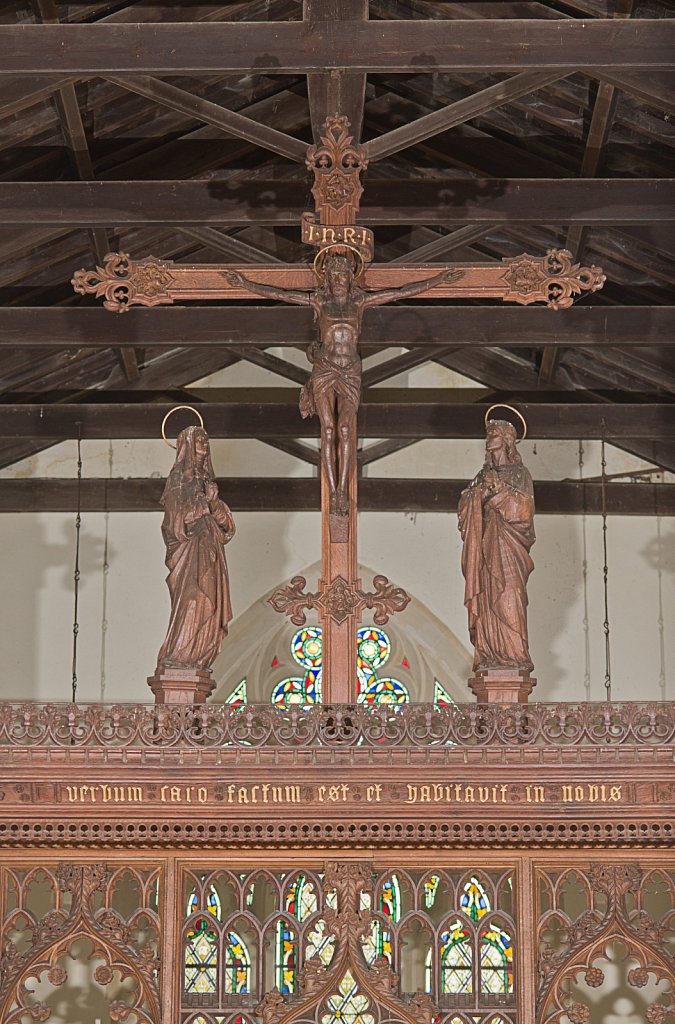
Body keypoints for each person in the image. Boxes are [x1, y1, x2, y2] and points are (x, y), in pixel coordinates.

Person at [226, 254, 460, 515]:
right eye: (334, 275)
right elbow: (282, 294)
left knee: (346, 428)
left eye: (343, 275)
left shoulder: (359, 302)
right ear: (327, 278)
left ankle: (342, 490)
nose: (338, 280)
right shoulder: (320, 301)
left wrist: (439, 279)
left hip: (350, 372)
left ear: (351, 278)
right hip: (325, 369)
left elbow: (399, 292)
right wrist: (245, 284)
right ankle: (335, 493)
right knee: (328, 430)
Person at [155, 426, 235, 672]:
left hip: (211, 553)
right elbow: (175, 522)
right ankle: (180, 655)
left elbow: (228, 527)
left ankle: (201, 654)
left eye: (206, 439)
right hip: (188, 555)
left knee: (211, 607)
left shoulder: (209, 484)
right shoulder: (178, 481)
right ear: (187, 446)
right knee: (192, 600)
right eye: (198, 439)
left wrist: (214, 503)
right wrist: (204, 506)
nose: (204, 443)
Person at [458, 419, 535, 674]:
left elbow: (524, 512)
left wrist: (498, 489)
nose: (488, 438)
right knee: (487, 600)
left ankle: (515, 654)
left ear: (507, 440)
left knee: (510, 595)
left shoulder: (520, 474)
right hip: (485, 547)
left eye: (494, 433)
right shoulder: (481, 476)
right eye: (488, 433)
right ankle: (489, 652)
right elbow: (465, 507)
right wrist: (479, 493)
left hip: (510, 548)